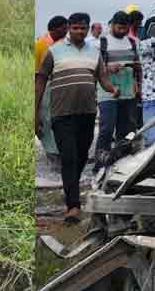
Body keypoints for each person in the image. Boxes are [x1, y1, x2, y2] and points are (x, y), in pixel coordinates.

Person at [35, 12, 117, 224]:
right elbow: (40, 81)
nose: (79, 31)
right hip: (61, 113)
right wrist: (35, 113)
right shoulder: (54, 51)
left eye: (83, 28)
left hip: (88, 113)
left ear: (88, 29)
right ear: (69, 28)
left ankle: (70, 188)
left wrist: (112, 89)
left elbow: (103, 78)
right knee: (69, 157)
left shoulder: (94, 52)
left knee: (81, 156)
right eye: (76, 28)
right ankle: (73, 206)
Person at [94, 11, 141, 166]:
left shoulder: (133, 43)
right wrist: (108, 67)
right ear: (112, 25)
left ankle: (122, 163)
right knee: (107, 128)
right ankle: (100, 164)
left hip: (128, 93)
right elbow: (93, 68)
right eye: (119, 27)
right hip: (108, 93)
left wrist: (138, 85)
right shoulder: (100, 43)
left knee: (127, 130)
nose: (122, 31)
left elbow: (138, 67)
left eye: (125, 28)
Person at [35, 16, 69, 164]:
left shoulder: (64, 45)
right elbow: (36, 73)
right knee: (46, 120)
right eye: (64, 27)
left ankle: (59, 152)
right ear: (55, 29)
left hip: (61, 87)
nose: (67, 30)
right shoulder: (40, 45)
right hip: (46, 88)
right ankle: (52, 153)